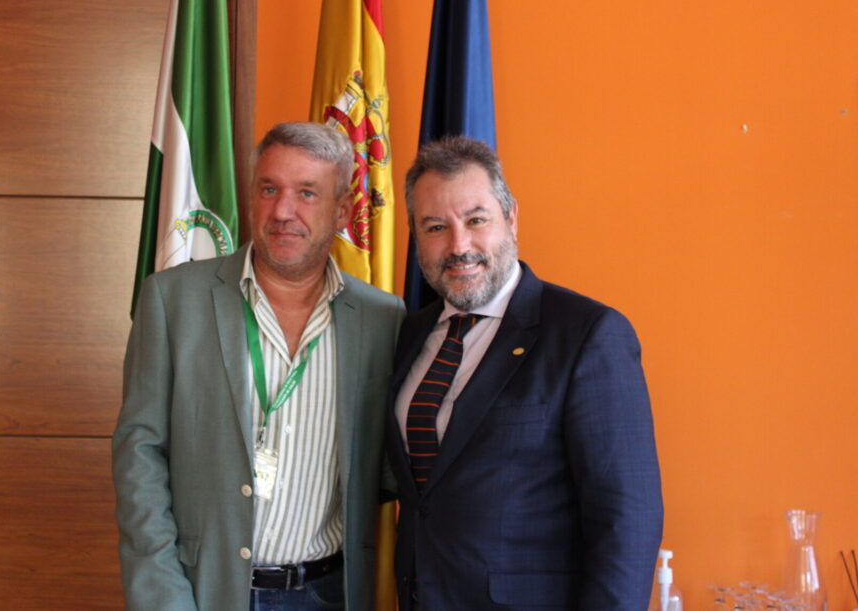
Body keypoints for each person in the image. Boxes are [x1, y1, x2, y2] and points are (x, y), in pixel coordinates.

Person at [113, 122, 405, 611]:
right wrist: (163, 597)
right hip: (203, 591)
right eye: (269, 189)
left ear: (342, 210)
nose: (283, 211)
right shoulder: (173, 300)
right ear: (251, 196)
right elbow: (139, 454)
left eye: (307, 193)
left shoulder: (383, 318)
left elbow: (387, 466)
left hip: (328, 593)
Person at [387, 136, 663, 610]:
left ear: (511, 217)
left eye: (476, 220)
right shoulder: (411, 333)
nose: (459, 246)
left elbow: (627, 519)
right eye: (435, 227)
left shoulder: (587, 335)